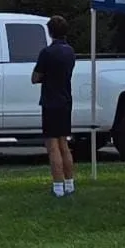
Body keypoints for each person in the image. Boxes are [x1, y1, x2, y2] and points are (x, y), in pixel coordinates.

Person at [33, 14, 77, 196]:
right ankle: (69, 183)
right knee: (64, 143)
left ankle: (57, 186)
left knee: (52, 146)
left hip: (50, 101)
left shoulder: (47, 53)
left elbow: (36, 77)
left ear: (50, 32)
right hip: (66, 100)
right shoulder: (70, 52)